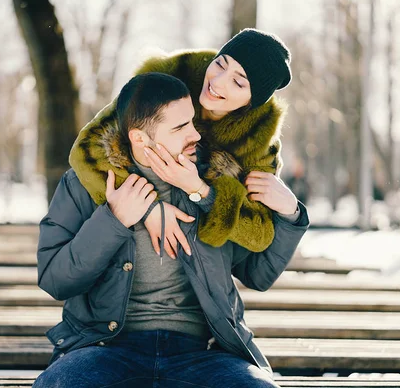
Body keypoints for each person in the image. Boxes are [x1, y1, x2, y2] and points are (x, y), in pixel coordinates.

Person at [34, 72, 309, 388]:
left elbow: (257, 274)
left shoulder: (215, 181)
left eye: (192, 121)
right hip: (104, 350)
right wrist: (113, 219)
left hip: (203, 355)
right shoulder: (85, 184)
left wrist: (291, 214)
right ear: (140, 138)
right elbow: (55, 279)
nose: (196, 135)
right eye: (180, 128)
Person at [69, 28, 295, 259]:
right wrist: (147, 209)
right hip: (124, 251)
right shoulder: (164, 80)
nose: (217, 82)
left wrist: (199, 190)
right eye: (220, 64)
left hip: (199, 265)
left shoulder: (258, 142)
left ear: (252, 102)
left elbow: (259, 233)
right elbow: (87, 149)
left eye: (237, 82)